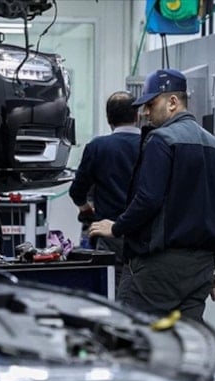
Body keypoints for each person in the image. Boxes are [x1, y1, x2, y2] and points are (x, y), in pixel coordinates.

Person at [88, 68, 215, 322]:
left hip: (160, 268)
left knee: (131, 333)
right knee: (184, 339)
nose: (145, 112)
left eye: (151, 104)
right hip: (200, 270)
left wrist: (117, 228)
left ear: (172, 102)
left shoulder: (161, 140)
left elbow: (148, 199)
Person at [69, 91, 141, 300]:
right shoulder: (153, 144)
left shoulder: (98, 147)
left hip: (110, 236)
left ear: (108, 118)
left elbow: (77, 191)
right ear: (137, 116)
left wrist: (86, 210)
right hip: (145, 236)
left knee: (112, 293)